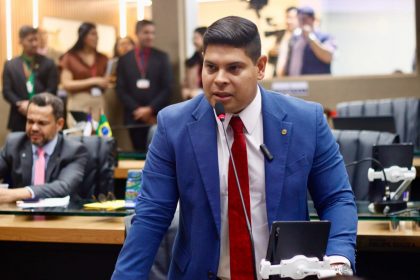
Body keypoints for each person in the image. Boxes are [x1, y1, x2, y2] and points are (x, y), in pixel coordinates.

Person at [112, 16, 357, 279]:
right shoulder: (174, 125)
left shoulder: (306, 120)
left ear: (260, 67)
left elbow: (336, 199)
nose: (219, 79)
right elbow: (151, 214)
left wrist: (338, 258)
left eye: (234, 68)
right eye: (211, 67)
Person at [0, 93, 88, 203]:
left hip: (61, 217)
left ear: (59, 124)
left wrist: (16, 194)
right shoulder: (14, 143)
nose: (34, 128)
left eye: (42, 123)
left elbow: (63, 186)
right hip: (21, 216)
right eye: (30, 121)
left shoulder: (74, 151)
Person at [116, 20, 172, 152]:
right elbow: (121, 89)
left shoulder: (162, 57)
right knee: (138, 155)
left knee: (158, 155)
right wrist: (138, 110)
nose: (150, 36)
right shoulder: (125, 60)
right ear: (137, 33)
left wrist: (150, 109)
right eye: (146, 32)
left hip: (156, 116)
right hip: (134, 117)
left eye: (153, 33)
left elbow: (167, 88)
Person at [2, 25, 58, 132]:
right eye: (30, 40)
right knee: (18, 146)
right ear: (20, 41)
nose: (35, 44)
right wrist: (20, 104)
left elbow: (52, 89)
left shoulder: (48, 63)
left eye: (36, 39)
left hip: (43, 114)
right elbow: (7, 91)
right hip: (19, 114)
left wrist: (35, 104)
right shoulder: (10, 65)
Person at [60, 22, 109, 126]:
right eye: (93, 34)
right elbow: (66, 84)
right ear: (83, 36)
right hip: (79, 102)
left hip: (98, 103)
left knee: (99, 137)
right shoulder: (70, 57)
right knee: (79, 136)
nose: (97, 38)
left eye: (97, 34)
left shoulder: (103, 58)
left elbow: (106, 81)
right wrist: (94, 81)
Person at [286, 6, 336, 76]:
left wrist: (310, 38)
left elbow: (328, 57)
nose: (302, 22)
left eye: (305, 19)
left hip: (316, 83)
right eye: (299, 19)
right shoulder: (294, 38)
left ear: (313, 19)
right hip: (294, 83)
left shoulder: (325, 37)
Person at [181, 26, 207, 100]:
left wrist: (200, 93)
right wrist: (185, 90)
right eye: (193, 38)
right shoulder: (190, 62)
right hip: (193, 100)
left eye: (197, 38)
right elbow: (185, 83)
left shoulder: (214, 61)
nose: (194, 42)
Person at [275, 6, 299, 77]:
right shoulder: (281, 34)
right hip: (279, 77)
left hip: (293, 78)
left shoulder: (302, 38)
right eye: (287, 17)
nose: (288, 21)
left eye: (291, 18)